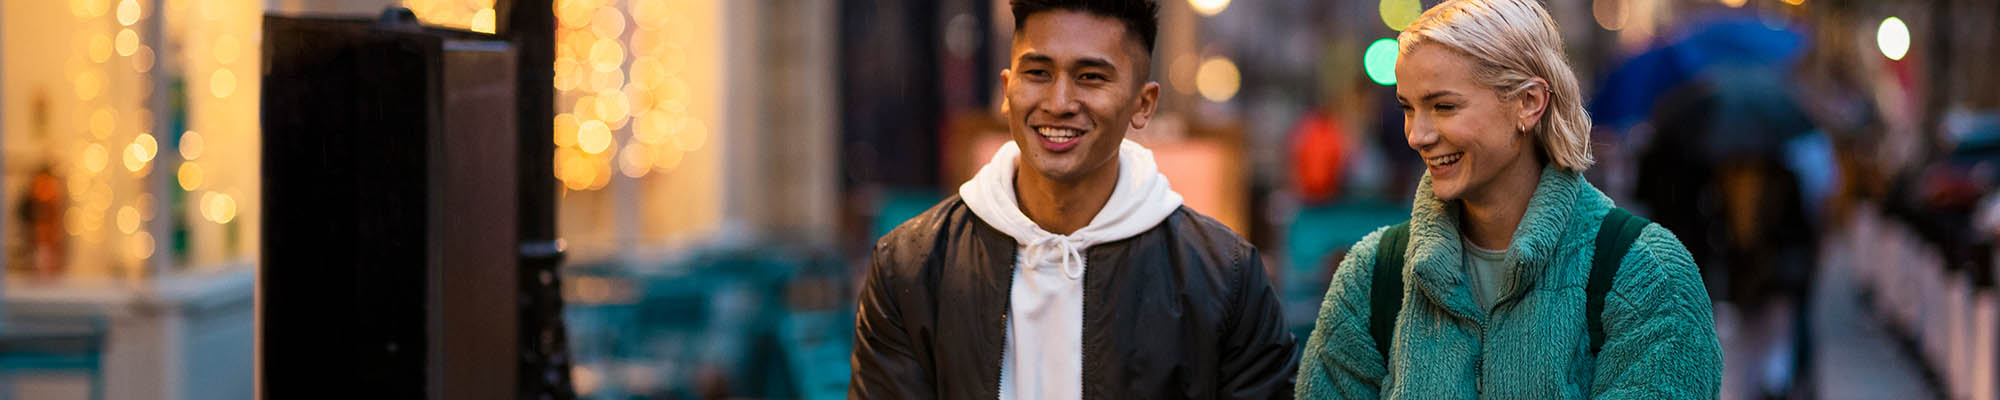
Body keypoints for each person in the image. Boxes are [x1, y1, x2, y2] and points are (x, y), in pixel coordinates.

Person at [847, 0, 1297, 398]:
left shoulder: (1227, 278)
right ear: (1007, 89)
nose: (1059, 102)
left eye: (1091, 77)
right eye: (1038, 73)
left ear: (1144, 104)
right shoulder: (910, 266)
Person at [1295, 0, 1722, 398]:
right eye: (1407, 108)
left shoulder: (1646, 273)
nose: (1417, 135)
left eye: (1443, 106)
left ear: (1529, 103)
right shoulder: (1373, 274)